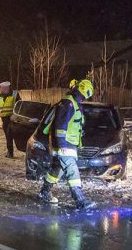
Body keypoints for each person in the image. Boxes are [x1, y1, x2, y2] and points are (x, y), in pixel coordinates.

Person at [38, 79, 96, 210]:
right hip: (65, 144)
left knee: (56, 169)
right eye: (87, 94)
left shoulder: (74, 102)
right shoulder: (69, 103)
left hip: (66, 144)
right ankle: (80, 201)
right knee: (72, 170)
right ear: (85, 91)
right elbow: (61, 125)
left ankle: (44, 192)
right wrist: (62, 144)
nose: (87, 97)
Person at [0, 81, 21, 158]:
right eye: (1, 88)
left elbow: (19, 105)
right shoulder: (0, 96)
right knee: (8, 136)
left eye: (2, 88)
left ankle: (11, 153)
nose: (1, 89)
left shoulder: (15, 94)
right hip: (5, 120)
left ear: (7, 88)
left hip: (12, 118)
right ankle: (10, 152)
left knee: (10, 135)